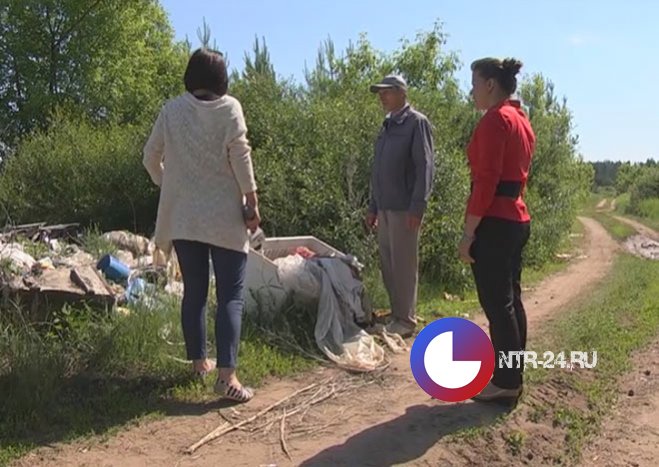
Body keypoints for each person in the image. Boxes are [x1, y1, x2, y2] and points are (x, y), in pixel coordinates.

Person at [143, 48, 260, 403]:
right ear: (221, 78)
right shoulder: (229, 108)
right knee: (230, 296)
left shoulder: (171, 110)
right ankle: (227, 377)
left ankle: (199, 364)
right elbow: (240, 155)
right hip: (224, 216)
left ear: (190, 76)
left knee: (194, 292)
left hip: (184, 216)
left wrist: (172, 186)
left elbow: (150, 158)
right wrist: (252, 202)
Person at [459, 57, 536, 403]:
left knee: (497, 303)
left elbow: (486, 182)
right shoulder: (521, 119)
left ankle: (505, 381)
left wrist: (468, 233)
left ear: (490, 84)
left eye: (474, 82)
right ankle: (511, 375)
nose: (471, 90)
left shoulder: (495, 120)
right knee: (511, 300)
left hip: (496, 220)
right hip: (518, 218)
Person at [366, 75, 435, 338]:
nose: (382, 97)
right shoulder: (387, 126)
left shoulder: (416, 123)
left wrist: (418, 207)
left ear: (401, 93)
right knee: (389, 264)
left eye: (387, 92)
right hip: (384, 208)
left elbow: (425, 167)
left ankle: (406, 320)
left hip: (405, 209)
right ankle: (396, 315)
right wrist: (373, 207)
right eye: (380, 93)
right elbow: (378, 171)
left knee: (404, 265)